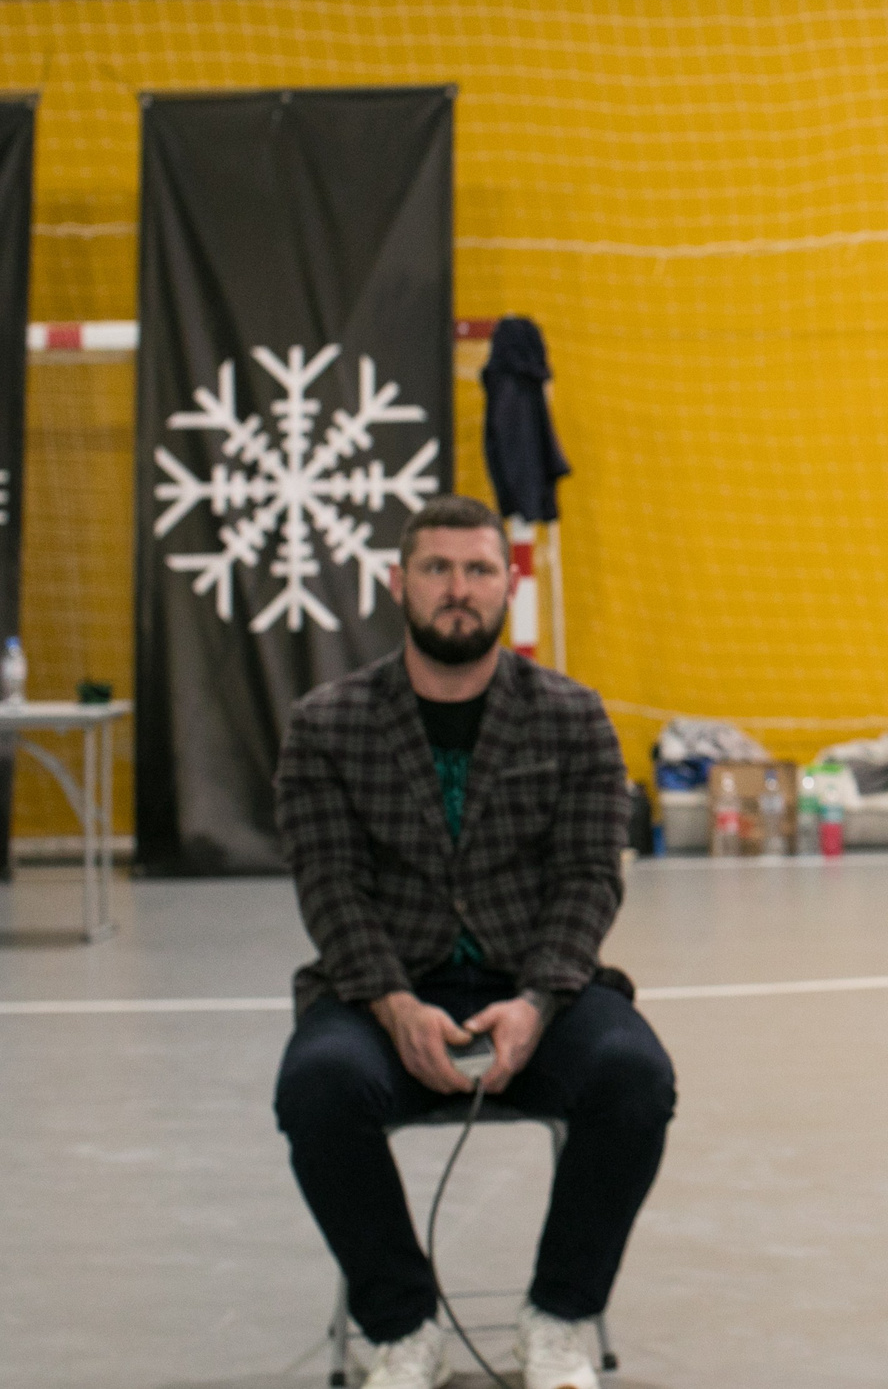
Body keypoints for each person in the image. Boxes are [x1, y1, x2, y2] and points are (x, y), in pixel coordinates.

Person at [271, 494, 675, 1389]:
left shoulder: (573, 717)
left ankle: (561, 1317)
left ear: (508, 584)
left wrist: (535, 1002)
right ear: (399, 581)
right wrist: (392, 1002)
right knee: (317, 1089)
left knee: (635, 1079)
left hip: (539, 986)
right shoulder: (326, 724)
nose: (460, 589)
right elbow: (329, 888)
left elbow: (587, 880)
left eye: (479, 569)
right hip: (382, 988)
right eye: (438, 569)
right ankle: (401, 1324)